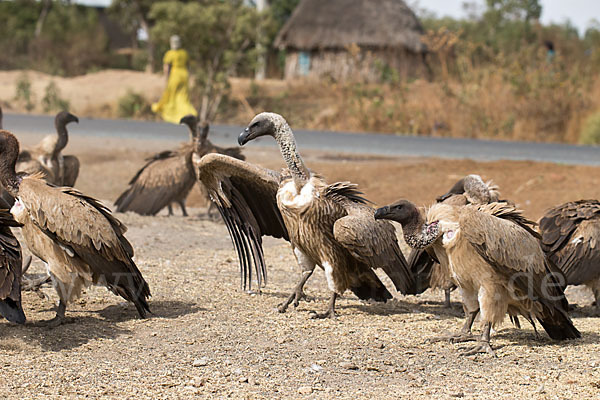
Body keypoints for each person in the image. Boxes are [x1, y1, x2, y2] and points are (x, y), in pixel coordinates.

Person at [151, 35, 197, 123]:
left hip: (175, 75)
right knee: (184, 97)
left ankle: (172, 114)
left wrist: (167, 78)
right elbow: (188, 66)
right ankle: (188, 113)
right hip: (184, 75)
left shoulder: (170, 53)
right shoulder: (184, 53)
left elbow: (166, 68)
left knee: (170, 95)